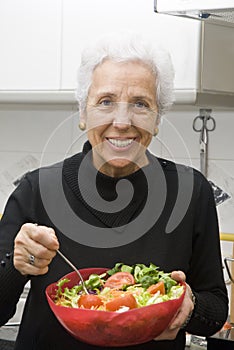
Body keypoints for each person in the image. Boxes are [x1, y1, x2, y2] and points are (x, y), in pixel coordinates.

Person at [0, 32, 228, 350]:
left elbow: (216, 309)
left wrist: (190, 307)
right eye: (106, 102)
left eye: (140, 104)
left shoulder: (191, 192)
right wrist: (16, 264)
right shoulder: (36, 189)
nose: (122, 121)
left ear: (157, 118)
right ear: (83, 113)